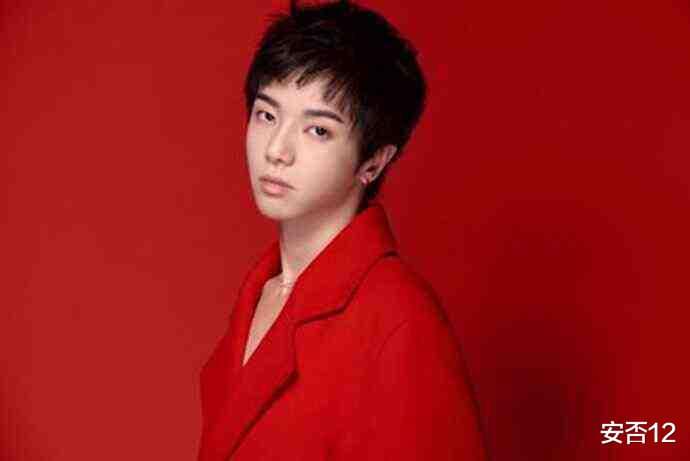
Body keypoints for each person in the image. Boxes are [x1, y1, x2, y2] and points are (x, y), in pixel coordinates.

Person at [197, 1, 487, 459]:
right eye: (267, 115)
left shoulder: (399, 320)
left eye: (318, 130)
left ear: (373, 161)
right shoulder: (260, 290)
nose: (276, 150)